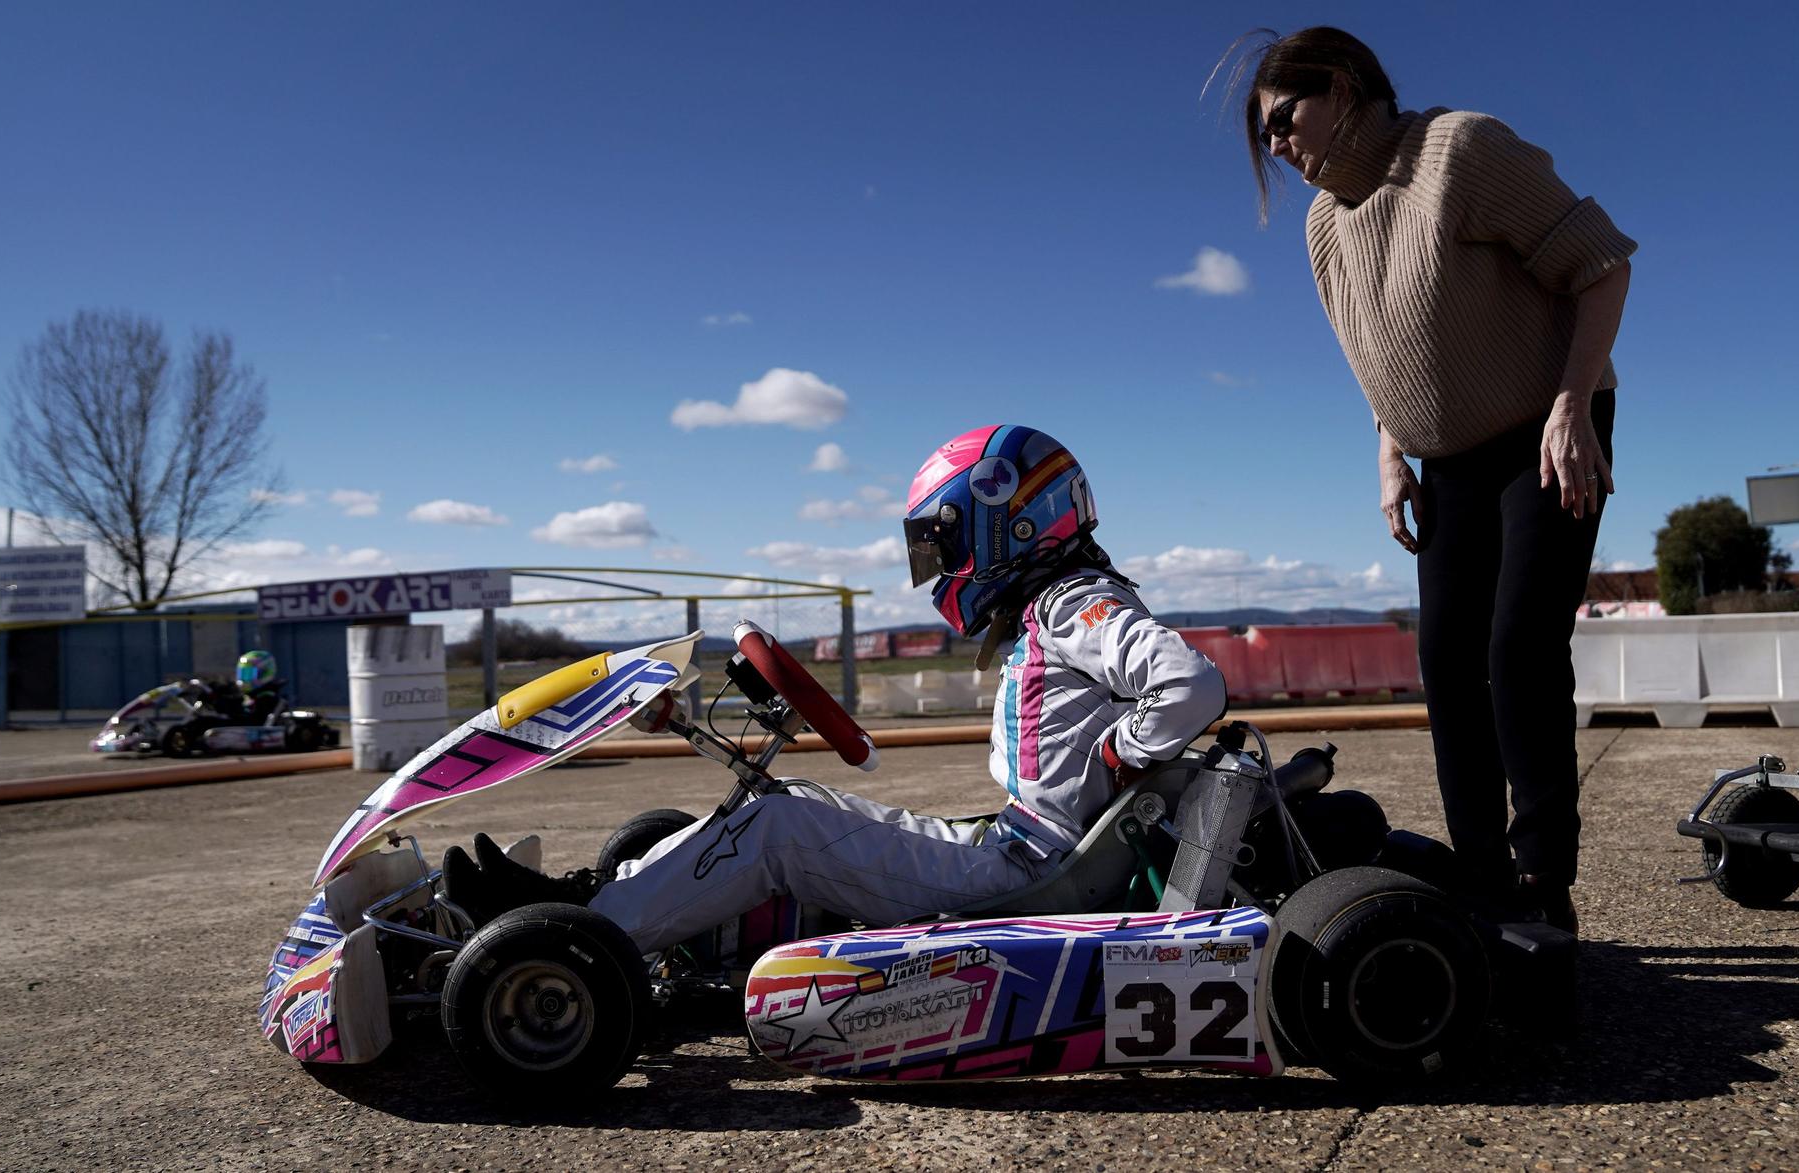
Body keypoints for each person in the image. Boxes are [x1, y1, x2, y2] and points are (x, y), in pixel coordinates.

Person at [443, 425, 1233, 953]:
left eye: (945, 542)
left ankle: (569, 939)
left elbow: (1189, 685)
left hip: (1024, 870)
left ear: (1011, 522)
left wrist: (1123, 751)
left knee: (781, 826)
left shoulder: (1073, 604)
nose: (939, 566)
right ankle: (583, 897)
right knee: (789, 802)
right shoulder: (1056, 606)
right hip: (1009, 844)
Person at [1227, 27, 1635, 933]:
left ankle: (1543, 884)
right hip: (1443, 461)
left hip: (1546, 434)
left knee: (1517, 651)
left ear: (1340, 88)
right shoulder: (1324, 226)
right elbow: (1381, 355)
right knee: (1447, 665)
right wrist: (1389, 453)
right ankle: (1482, 877)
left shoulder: (1460, 150)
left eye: (1285, 120)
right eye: (1266, 139)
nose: (1280, 146)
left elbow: (1603, 266)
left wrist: (1572, 407)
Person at [235, 649, 288, 725]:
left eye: (249, 674)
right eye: (244, 673)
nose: (246, 678)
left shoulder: (268, 700)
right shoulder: (247, 698)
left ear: (263, 673)